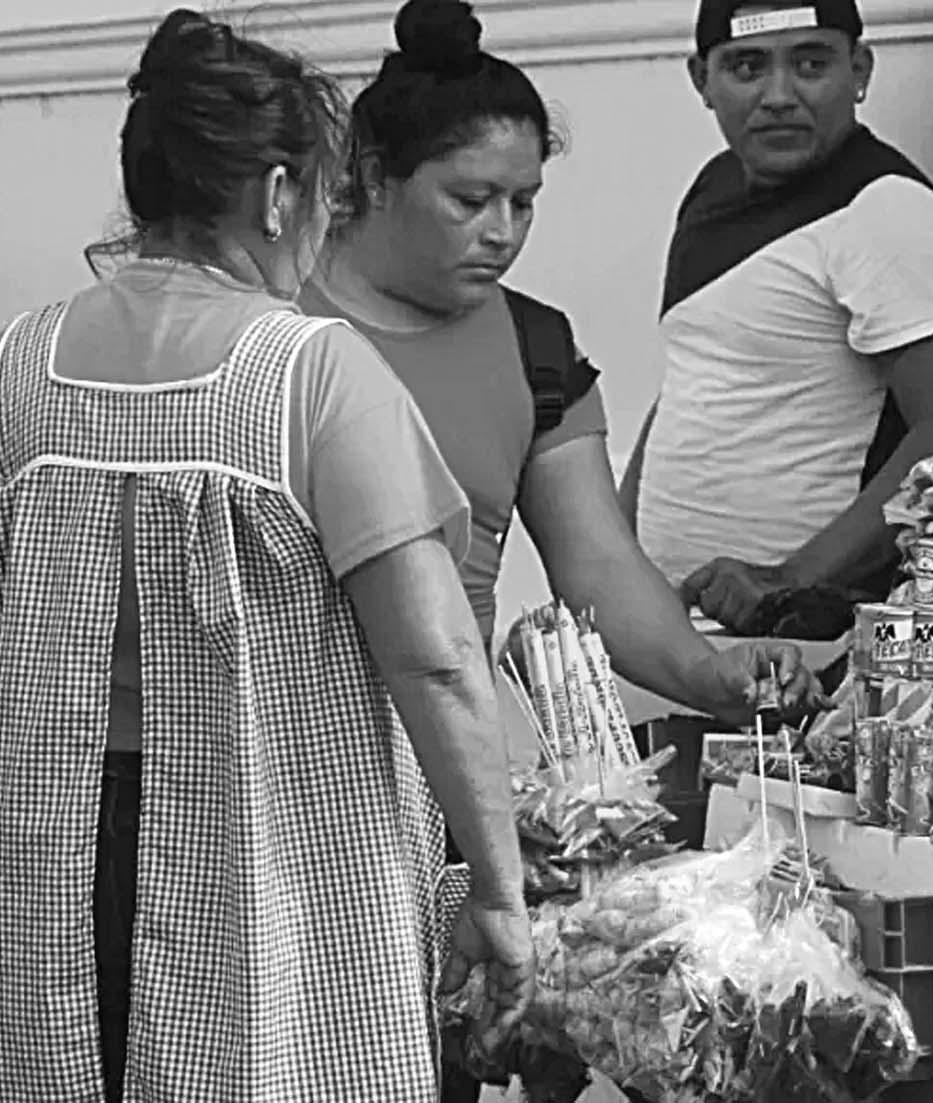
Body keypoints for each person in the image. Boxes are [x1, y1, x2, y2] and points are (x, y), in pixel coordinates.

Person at [0, 10, 532, 1102]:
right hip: (270, 845)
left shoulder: (21, 361)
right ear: (279, 194)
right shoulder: (312, 373)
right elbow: (435, 660)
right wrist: (496, 885)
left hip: (54, 853)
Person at [305, 0, 823, 740]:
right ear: (376, 178)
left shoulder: (535, 347)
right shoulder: (270, 323)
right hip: (268, 752)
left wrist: (707, 673)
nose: (503, 233)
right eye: (470, 200)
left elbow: (599, 566)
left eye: (524, 203)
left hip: (446, 756)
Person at [620, 0, 933, 636]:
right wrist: (612, 552)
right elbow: (696, 379)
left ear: (860, 70)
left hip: (803, 637)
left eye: (810, 64)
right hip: (672, 627)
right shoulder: (714, 187)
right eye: (746, 67)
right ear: (701, 80)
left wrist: (790, 579)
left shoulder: (888, 210)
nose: (778, 96)